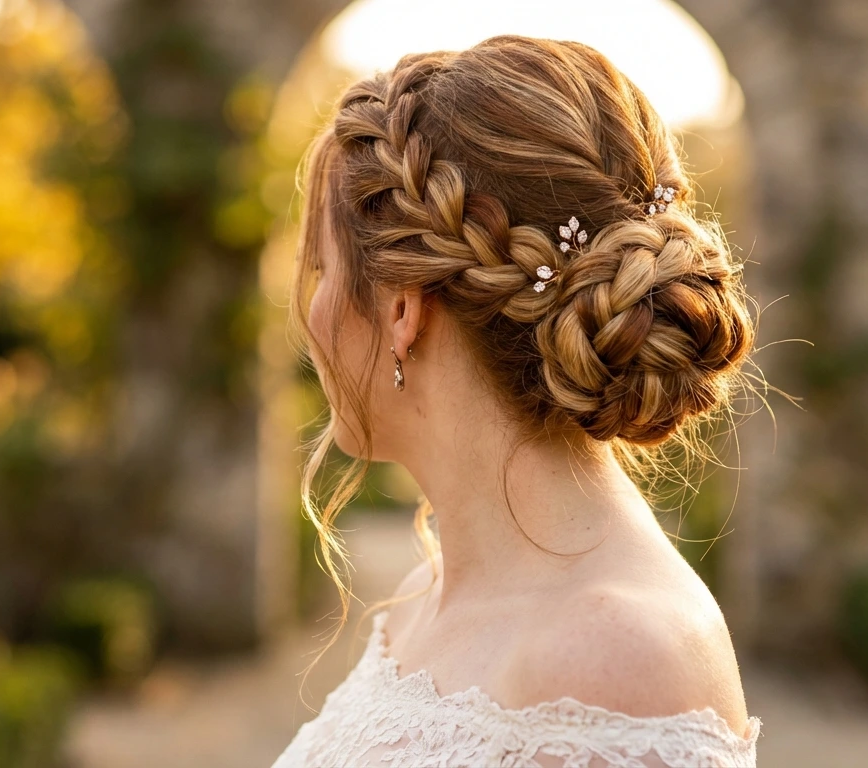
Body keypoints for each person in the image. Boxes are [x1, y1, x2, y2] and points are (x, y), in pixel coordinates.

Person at [271, 34, 762, 768]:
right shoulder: (422, 597)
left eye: (323, 272)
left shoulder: (619, 661)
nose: (310, 317)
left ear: (404, 310)